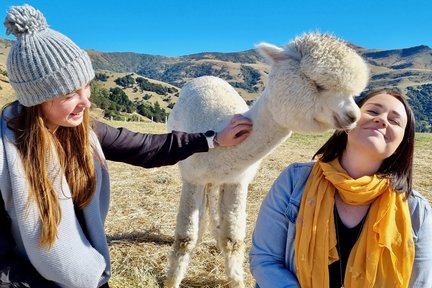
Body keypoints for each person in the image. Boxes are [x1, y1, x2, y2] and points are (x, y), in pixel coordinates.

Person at [0, 4, 252, 288]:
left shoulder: (85, 132)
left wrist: (213, 139)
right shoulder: (5, 159)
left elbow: (146, 147)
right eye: (70, 95)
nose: (87, 102)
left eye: (87, 87)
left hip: (89, 274)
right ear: (37, 99)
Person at [249, 90, 432, 287]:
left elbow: (420, 283)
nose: (382, 120)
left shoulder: (416, 210)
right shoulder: (294, 180)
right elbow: (264, 259)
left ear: (401, 144)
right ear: (348, 121)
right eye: (373, 111)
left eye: (395, 121)